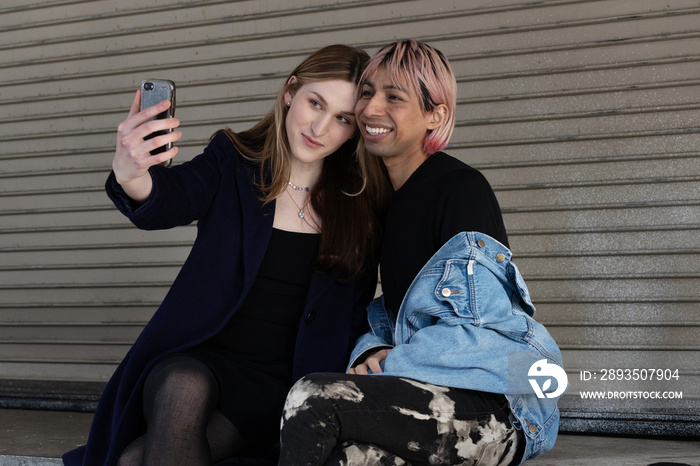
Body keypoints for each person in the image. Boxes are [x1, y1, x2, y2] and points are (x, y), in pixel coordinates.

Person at [63, 44, 390, 466]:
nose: (321, 127)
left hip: (280, 381)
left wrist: (372, 348)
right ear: (291, 91)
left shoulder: (359, 200)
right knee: (182, 384)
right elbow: (173, 197)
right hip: (200, 355)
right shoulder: (234, 159)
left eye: (342, 118)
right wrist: (133, 174)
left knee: (131, 461)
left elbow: (363, 306)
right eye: (315, 103)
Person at [278, 40, 563, 465]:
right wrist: (370, 352)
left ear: (437, 115)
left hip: (502, 411)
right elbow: (396, 319)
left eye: (394, 97)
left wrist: (395, 359)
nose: (371, 109)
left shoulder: (458, 190)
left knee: (312, 397)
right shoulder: (384, 202)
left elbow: (484, 337)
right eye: (368, 92)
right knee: (347, 456)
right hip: (429, 402)